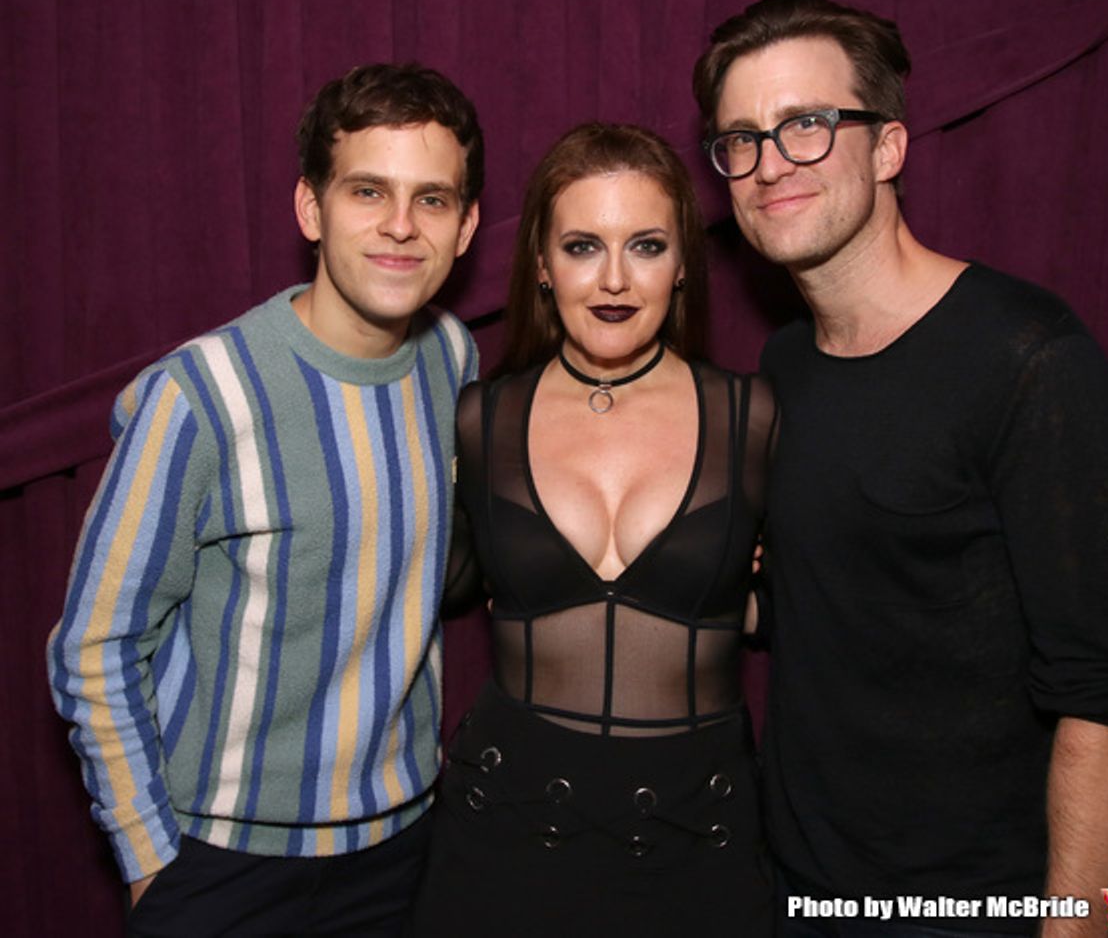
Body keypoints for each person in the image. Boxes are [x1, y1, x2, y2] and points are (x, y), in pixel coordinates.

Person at [692, 0, 1108, 937]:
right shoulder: (785, 364)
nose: (769, 163)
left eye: (808, 126)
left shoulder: (1033, 362)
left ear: (890, 147)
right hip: (794, 884)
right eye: (741, 138)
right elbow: (832, 602)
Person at [46, 62, 482, 937]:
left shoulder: (452, 360)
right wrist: (150, 863)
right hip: (221, 866)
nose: (401, 226)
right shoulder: (201, 395)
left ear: (468, 227)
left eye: (432, 200)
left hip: (400, 850)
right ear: (311, 210)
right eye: (368, 191)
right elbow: (95, 645)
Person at [413, 122, 776, 937]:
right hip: (502, 830)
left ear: (684, 262)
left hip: (697, 841)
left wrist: (747, 596)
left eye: (646, 245)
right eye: (582, 246)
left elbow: (816, 606)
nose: (614, 278)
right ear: (541, 265)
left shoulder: (753, 415)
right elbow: (430, 584)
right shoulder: (483, 417)